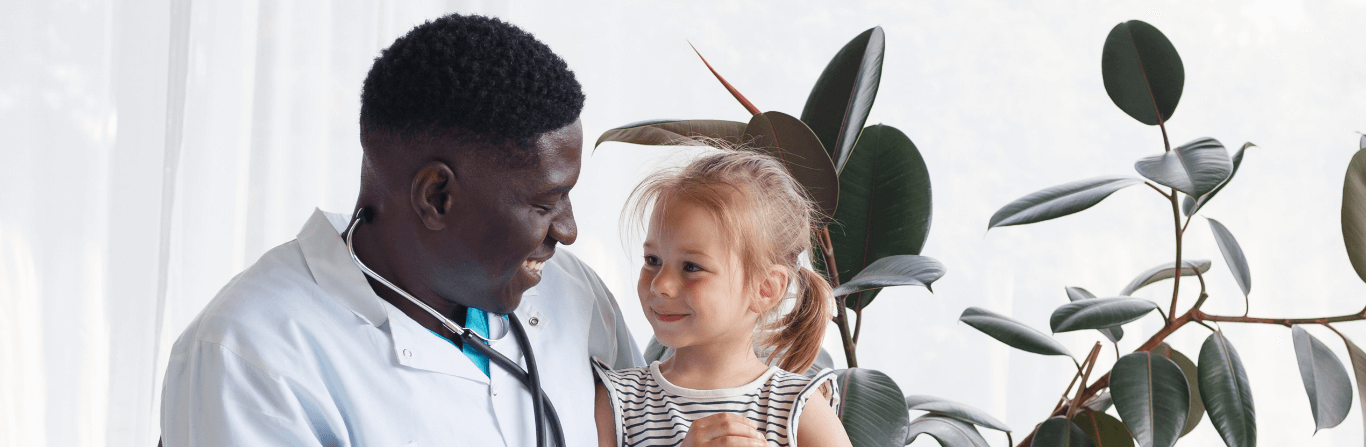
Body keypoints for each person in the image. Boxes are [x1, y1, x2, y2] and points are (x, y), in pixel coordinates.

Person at [160, 13, 642, 446]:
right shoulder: (251, 353)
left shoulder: (574, 292)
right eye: (545, 203)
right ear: (437, 197)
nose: (570, 230)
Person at [592, 149, 853, 447]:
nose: (661, 284)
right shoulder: (617, 403)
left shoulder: (799, 407)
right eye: (652, 259)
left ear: (765, 289)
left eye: (691, 267)